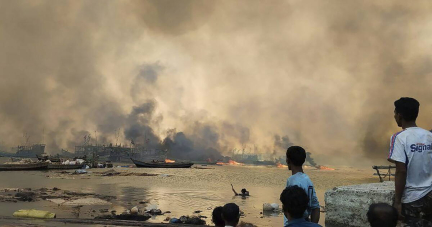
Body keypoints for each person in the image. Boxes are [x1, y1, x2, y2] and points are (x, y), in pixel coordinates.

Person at [388, 97, 432, 226]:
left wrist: (397, 201)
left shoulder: (399, 137)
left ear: (400, 115)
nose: (394, 116)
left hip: (413, 198)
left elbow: (401, 171)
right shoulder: (429, 136)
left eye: (395, 113)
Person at [284, 146, 320, 226]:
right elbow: (316, 208)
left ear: (288, 160)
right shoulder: (307, 180)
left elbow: (290, 209)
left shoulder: (293, 181)